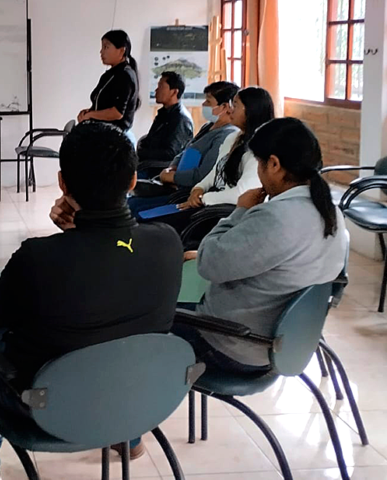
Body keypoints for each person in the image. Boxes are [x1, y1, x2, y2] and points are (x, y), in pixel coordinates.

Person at [0, 121, 184, 479]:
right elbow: (107, 262)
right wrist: (78, 236)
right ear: (132, 181)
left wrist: (73, 239)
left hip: (46, 409)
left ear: (63, 183)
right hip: (136, 398)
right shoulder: (167, 242)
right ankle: (127, 438)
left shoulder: (37, 257)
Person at [176, 118, 348, 371]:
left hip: (231, 343)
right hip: (288, 343)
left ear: (275, 164)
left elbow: (208, 264)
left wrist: (240, 211)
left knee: (147, 318)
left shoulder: (277, 217)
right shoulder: (332, 213)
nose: (258, 171)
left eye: (259, 163)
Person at [143, 86, 274, 238]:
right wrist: (199, 188)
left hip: (217, 214)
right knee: (146, 217)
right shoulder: (233, 138)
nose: (230, 110)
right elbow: (216, 171)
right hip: (204, 202)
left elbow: (240, 194)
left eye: (236, 105)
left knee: (155, 229)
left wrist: (203, 198)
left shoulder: (258, 151)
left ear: (251, 110)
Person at [128, 81, 239, 218]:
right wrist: (172, 167)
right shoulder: (208, 127)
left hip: (186, 196)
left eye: (208, 102)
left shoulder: (226, 135)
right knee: (130, 203)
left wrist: (174, 177)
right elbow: (185, 151)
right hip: (173, 186)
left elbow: (203, 175)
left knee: (137, 211)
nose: (203, 105)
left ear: (225, 107)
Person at [78, 30, 140, 143]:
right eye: (102, 47)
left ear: (121, 50)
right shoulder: (110, 74)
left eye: (106, 47)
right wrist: (88, 112)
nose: (101, 52)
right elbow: (102, 104)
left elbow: (117, 113)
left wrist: (91, 115)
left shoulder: (125, 75)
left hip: (115, 140)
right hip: (103, 133)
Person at [136, 71, 194, 177]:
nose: (156, 90)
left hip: (159, 169)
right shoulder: (164, 113)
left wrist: (143, 153)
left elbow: (171, 153)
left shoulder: (180, 118)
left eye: (161, 86)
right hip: (148, 163)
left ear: (174, 92)